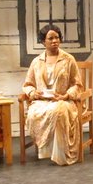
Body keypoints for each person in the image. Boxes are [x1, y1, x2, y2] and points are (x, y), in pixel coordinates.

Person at [22, 24, 83, 166]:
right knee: (34, 113)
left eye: (57, 37)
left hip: (64, 100)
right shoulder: (36, 62)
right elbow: (28, 84)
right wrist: (33, 92)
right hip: (42, 101)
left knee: (58, 111)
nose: (55, 41)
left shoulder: (68, 59)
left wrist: (66, 95)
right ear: (43, 41)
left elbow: (77, 84)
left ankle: (60, 154)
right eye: (50, 38)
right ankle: (45, 151)